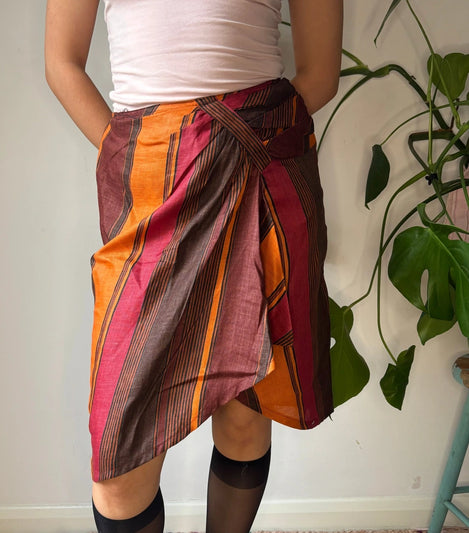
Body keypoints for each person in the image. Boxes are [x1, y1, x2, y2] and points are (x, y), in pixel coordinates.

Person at [45, 1, 343, 531]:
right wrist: (148, 156)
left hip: (261, 168)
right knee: (119, 467)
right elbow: (61, 62)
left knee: (247, 415)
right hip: (154, 185)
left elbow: (320, 73)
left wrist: (228, 140)